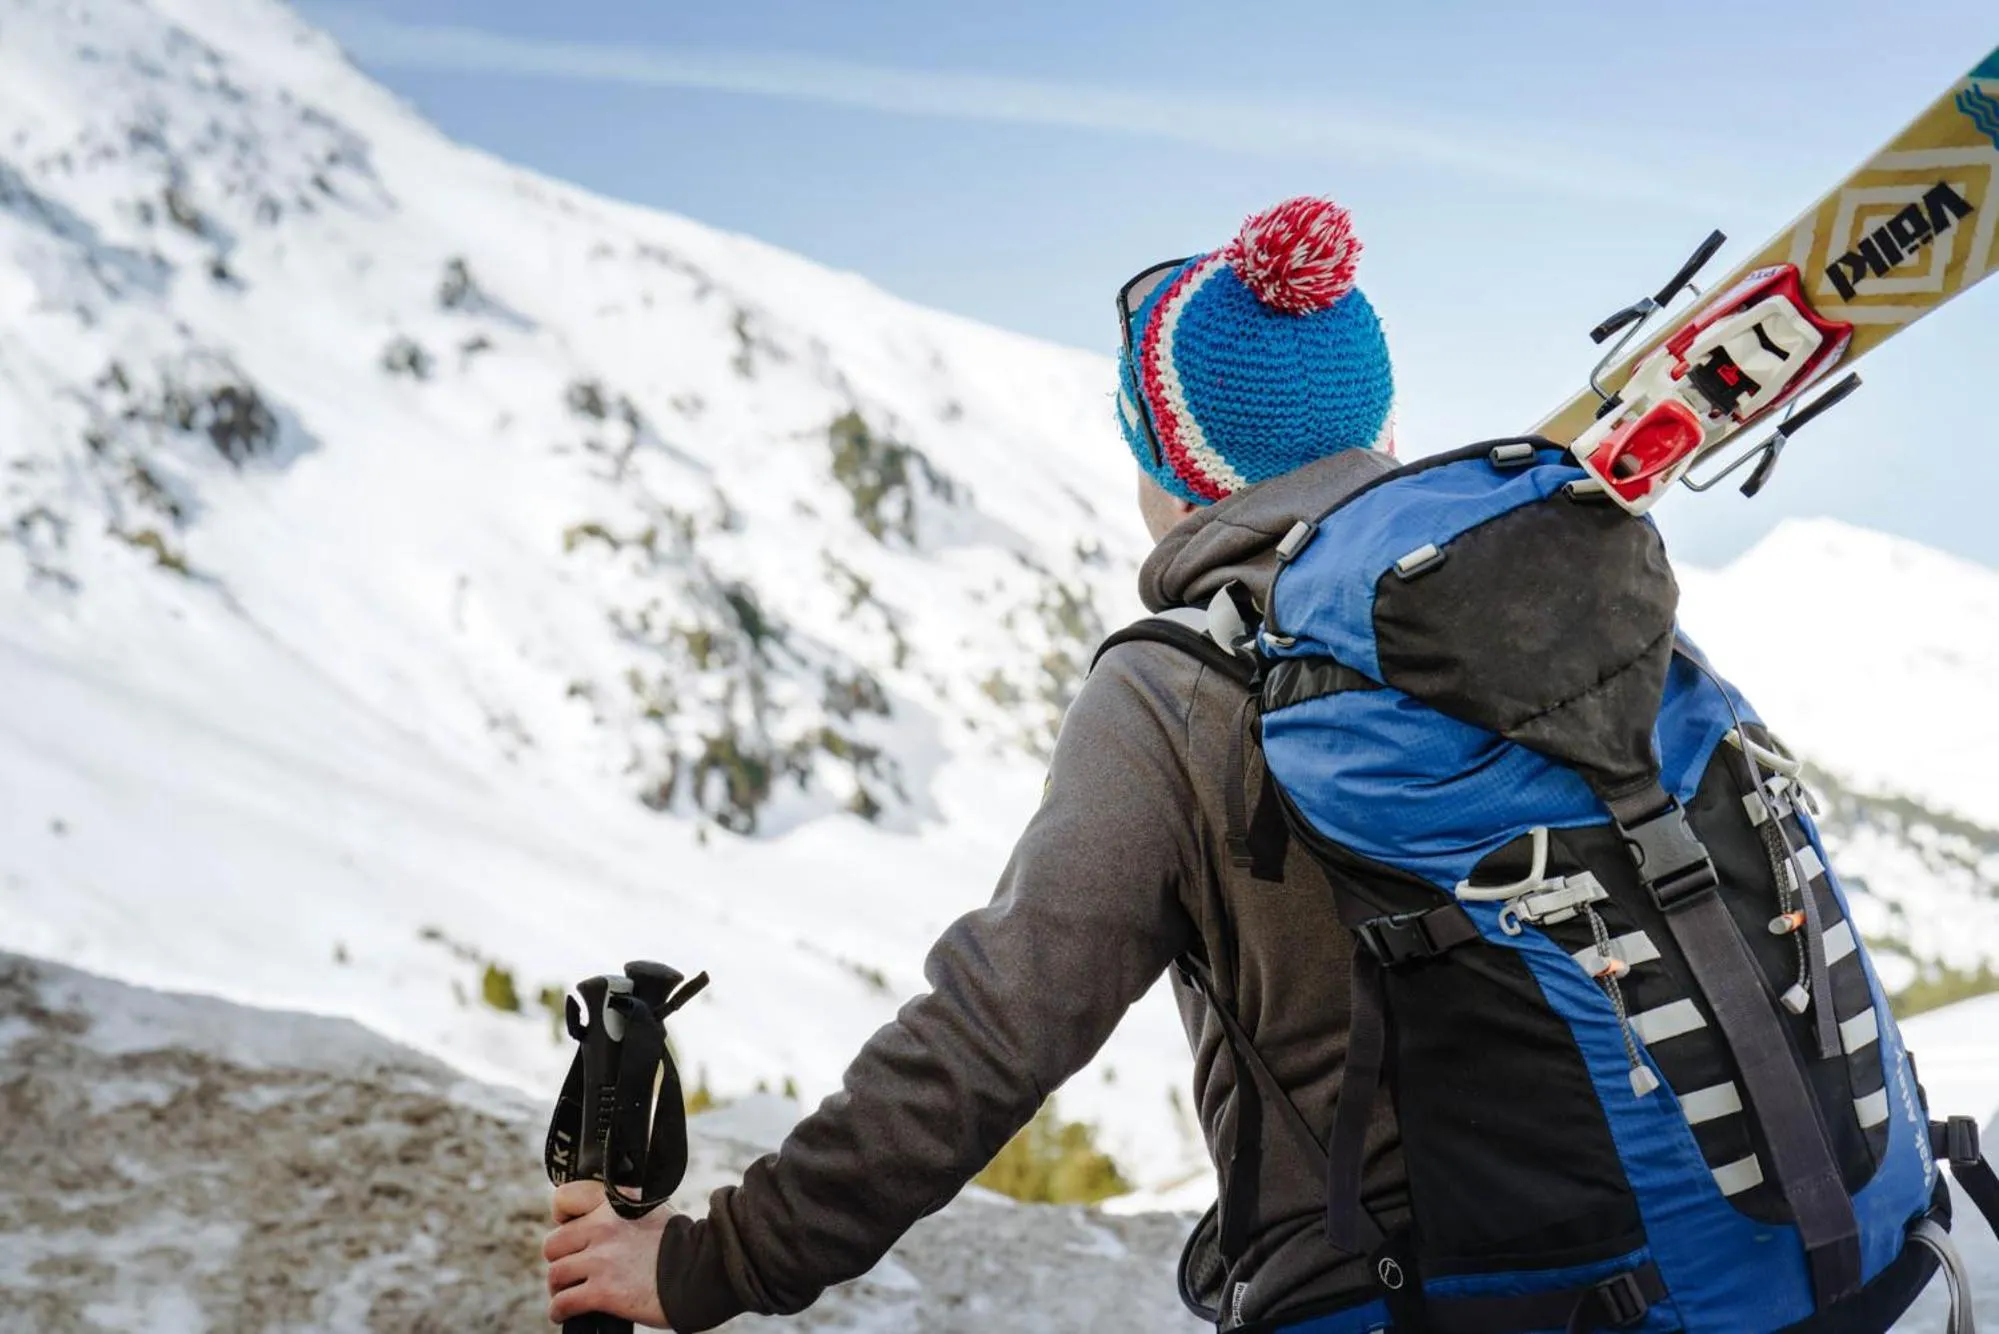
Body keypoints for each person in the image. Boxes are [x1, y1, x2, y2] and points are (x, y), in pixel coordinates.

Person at [545, 195, 1406, 1333]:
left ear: (1173, 465)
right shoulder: (1575, 611)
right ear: (1382, 429)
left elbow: (997, 1026)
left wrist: (718, 1260)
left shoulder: (1177, 689)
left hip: (1379, 1289)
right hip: (1692, 1251)